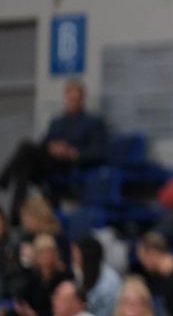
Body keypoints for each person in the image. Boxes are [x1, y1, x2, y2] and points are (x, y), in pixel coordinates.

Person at [0, 79, 107, 219]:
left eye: (76, 99)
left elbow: (99, 152)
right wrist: (52, 148)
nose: (73, 102)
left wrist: (73, 153)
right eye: (70, 99)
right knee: (25, 159)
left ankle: (4, 182)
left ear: (82, 99)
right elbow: (42, 146)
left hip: (70, 165)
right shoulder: (57, 122)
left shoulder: (93, 122)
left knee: (25, 151)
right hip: (50, 163)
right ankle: (16, 213)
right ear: (66, 98)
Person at [0, 234, 73, 316]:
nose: (44, 256)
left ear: (55, 253)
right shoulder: (34, 276)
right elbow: (22, 299)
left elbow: (63, 307)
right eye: (40, 252)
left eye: (47, 252)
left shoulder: (64, 276)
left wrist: (34, 315)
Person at [71, 236, 122, 316]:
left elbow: (109, 314)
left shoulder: (109, 280)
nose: (73, 256)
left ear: (86, 255)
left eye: (77, 253)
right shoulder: (76, 271)